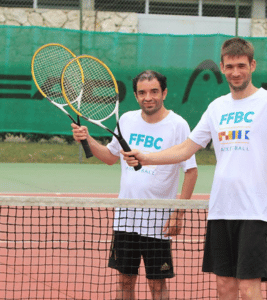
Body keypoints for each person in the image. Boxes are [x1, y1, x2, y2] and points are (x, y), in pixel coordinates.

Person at [122, 38, 267, 300]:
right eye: (229, 66)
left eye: (241, 65)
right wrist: (145, 158)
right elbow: (186, 149)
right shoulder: (217, 107)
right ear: (221, 67)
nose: (235, 72)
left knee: (249, 289)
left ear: (252, 65)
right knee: (224, 289)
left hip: (253, 213)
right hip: (219, 211)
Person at [71, 70, 198, 300]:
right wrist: (87, 139)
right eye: (142, 92)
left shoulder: (178, 125)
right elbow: (110, 157)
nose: (148, 97)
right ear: (136, 95)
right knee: (124, 281)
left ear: (165, 93)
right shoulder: (127, 120)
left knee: (157, 285)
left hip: (157, 221)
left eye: (154, 91)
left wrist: (179, 213)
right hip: (125, 217)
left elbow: (191, 170)